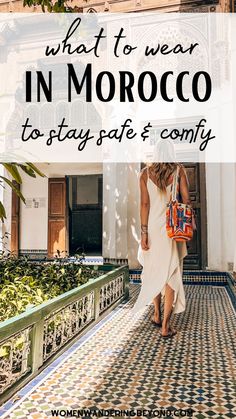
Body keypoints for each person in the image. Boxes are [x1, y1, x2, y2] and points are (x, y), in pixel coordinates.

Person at [132, 162, 191, 339]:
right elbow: (186, 200)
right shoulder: (178, 170)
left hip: (151, 229)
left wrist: (143, 233)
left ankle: (156, 314)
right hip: (171, 228)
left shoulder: (144, 174)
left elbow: (144, 204)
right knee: (170, 273)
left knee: (154, 270)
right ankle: (165, 326)